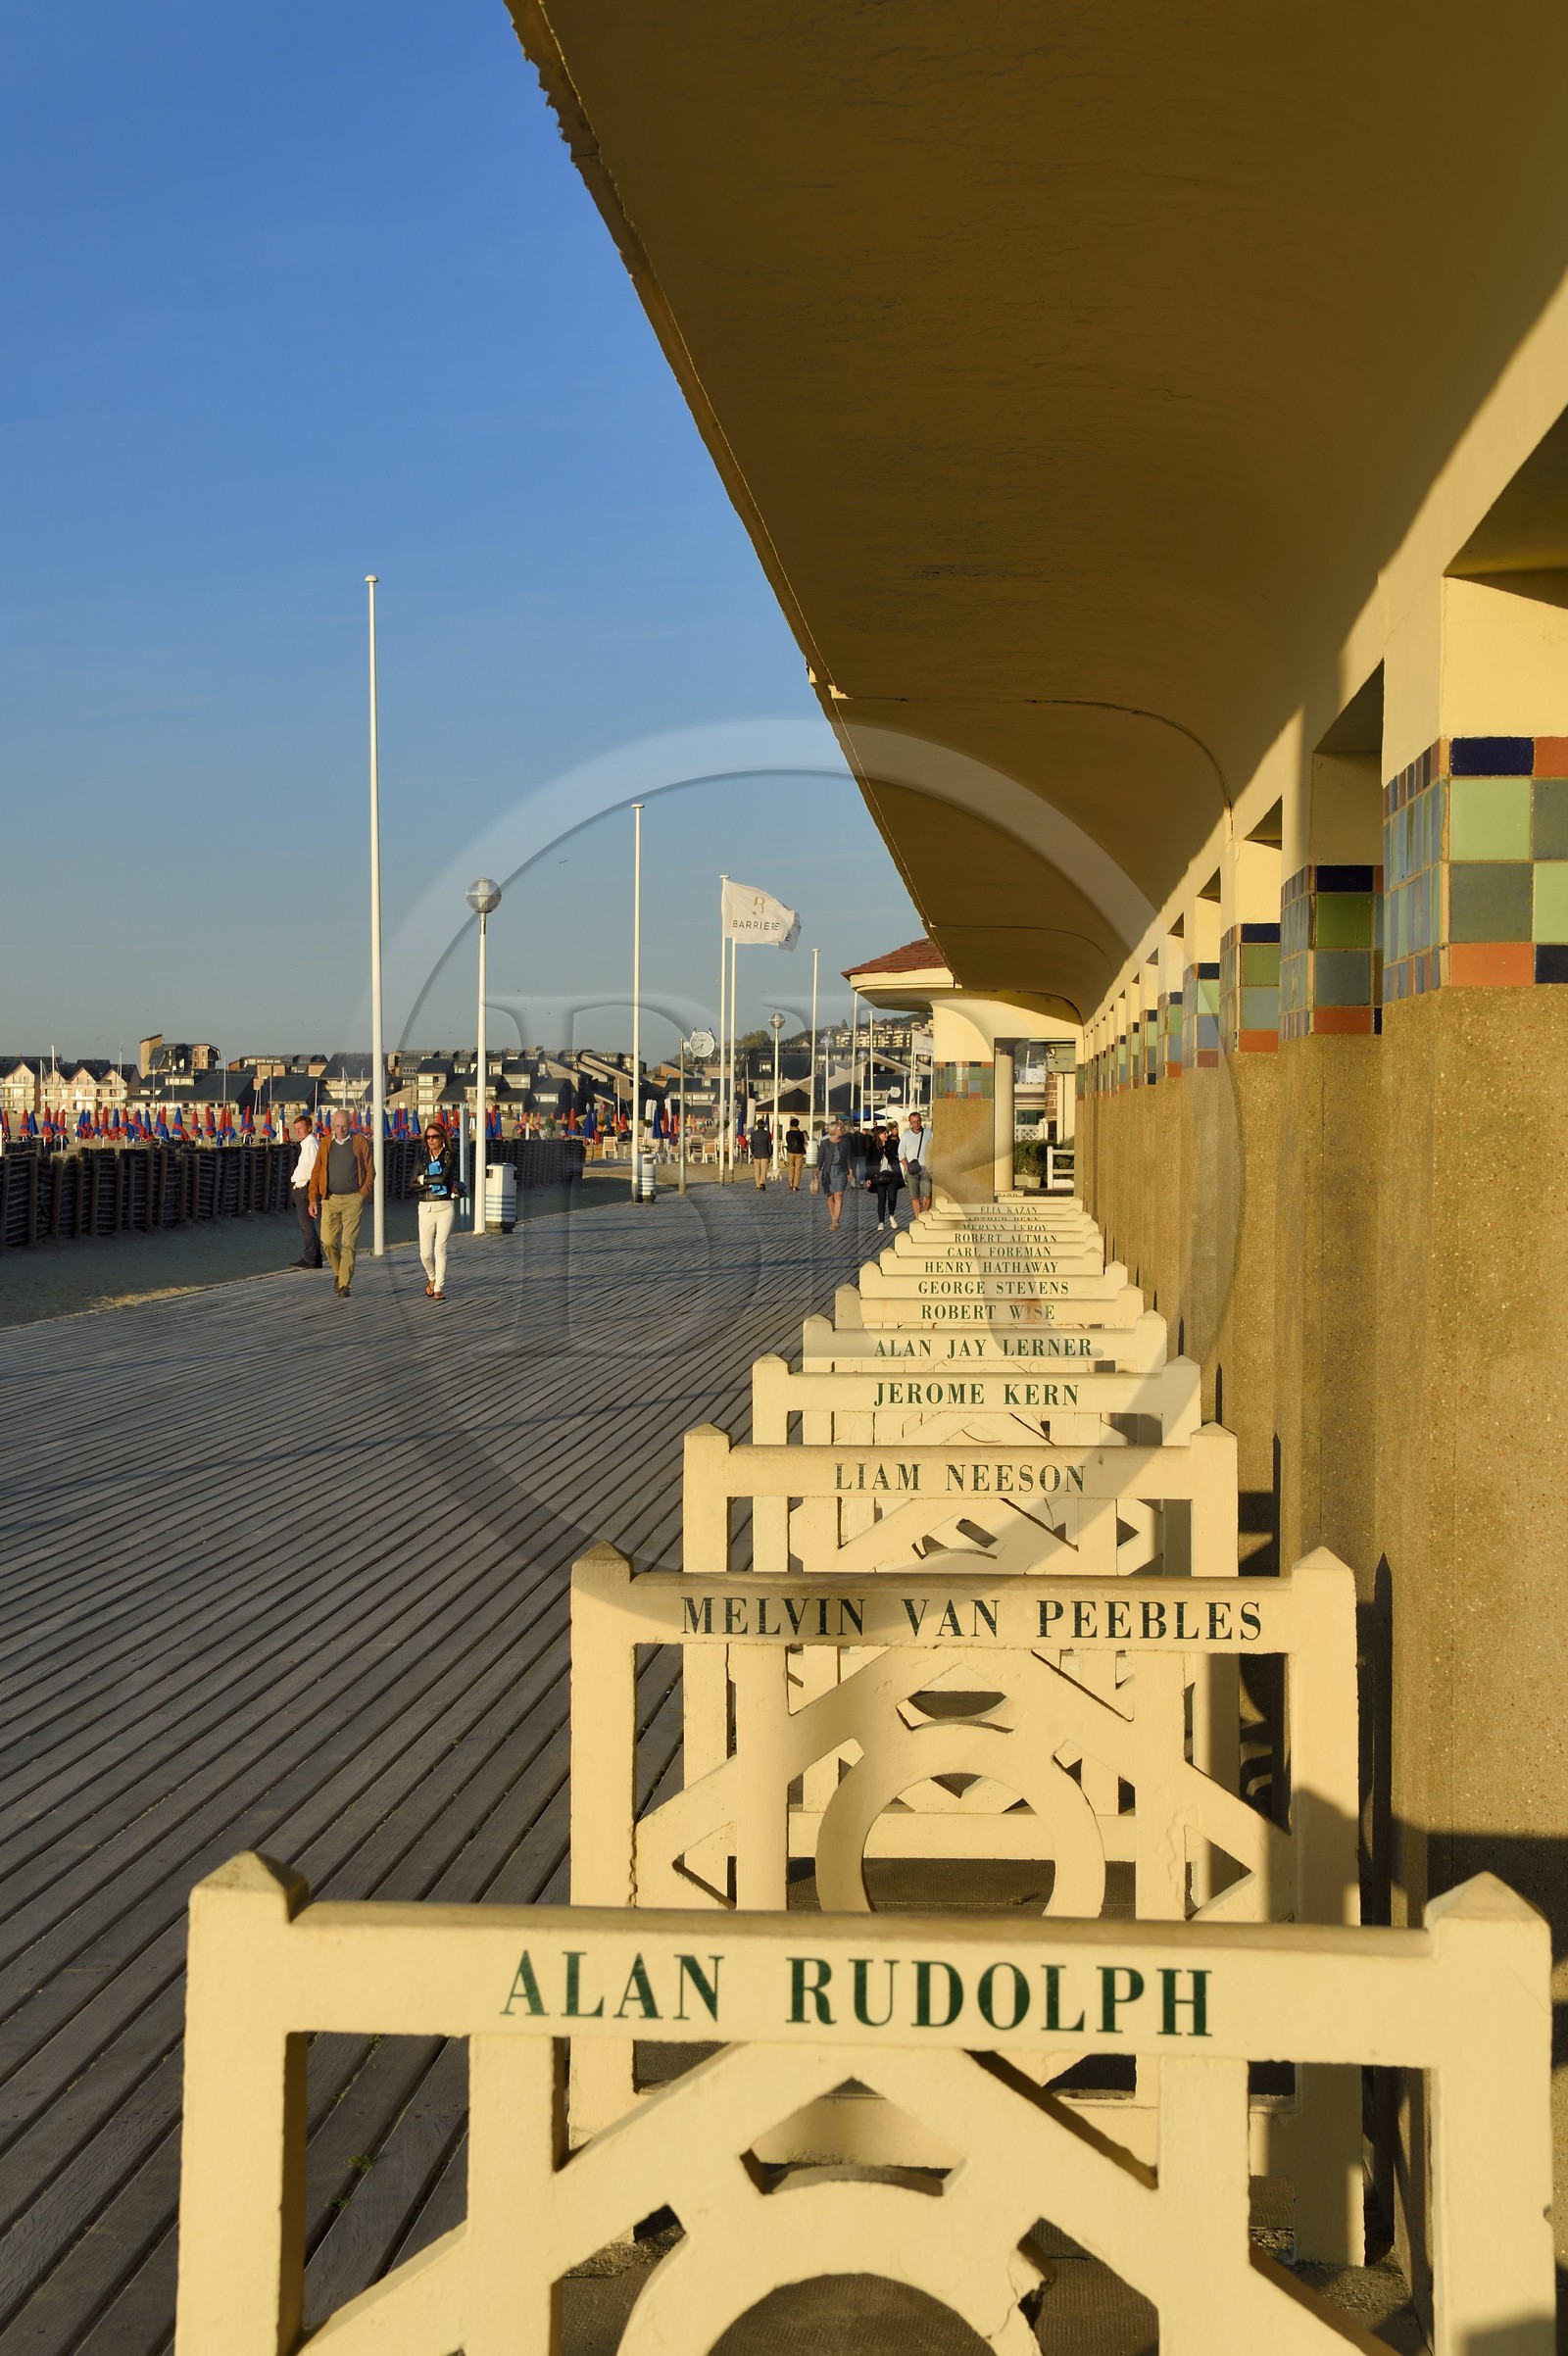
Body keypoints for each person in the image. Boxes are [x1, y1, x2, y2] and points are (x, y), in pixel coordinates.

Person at [307, 1105, 375, 1297]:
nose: (340, 1129)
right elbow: (317, 1172)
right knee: (328, 1242)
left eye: (344, 1126)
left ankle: (344, 1285)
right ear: (332, 1126)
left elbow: (371, 1171)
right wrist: (312, 1199)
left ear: (350, 1124)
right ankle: (340, 1273)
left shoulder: (359, 1141)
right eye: (337, 1126)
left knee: (348, 1242)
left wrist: (362, 1195)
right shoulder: (325, 1143)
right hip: (330, 1199)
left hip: (353, 1198)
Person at [412, 1119, 460, 1301]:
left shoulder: (449, 1156)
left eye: (434, 1137)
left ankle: (439, 1287)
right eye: (428, 1137)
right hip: (425, 1207)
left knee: (440, 1248)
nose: (431, 1140)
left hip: (445, 1206)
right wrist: (428, 1182)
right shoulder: (422, 1159)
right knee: (425, 1253)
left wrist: (423, 1180)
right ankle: (432, 1277)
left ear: (442, 1138)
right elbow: (411, 1184)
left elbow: (443, 1178)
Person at [288, 1113, 323, 1268]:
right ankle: (315, 1257)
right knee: (306, 1224)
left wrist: (311, 1190)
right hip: (302, 1187)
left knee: (306, 1224)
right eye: (295, 1129)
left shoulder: (311, 1145)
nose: (297, 1131)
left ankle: (311, 1258)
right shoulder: (308, 1144)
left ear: (309, 1128)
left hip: (305, 1187)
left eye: (300, 1128)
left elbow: (315, 1169)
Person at [816, 1117, 853, 1231]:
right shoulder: (825, 1143)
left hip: (841, 1170)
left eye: (842, 1128)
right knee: (830, 1196)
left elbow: (848, 1156)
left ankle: (836, 1220)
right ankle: (833, 1218)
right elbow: (821, 1157)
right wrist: (817, 1169)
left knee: (839, 1195)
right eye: (840, 1128)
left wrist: (850, 1170)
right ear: (834, 1130)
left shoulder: (845, 1141)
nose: (843, 1129)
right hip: (828, 1171)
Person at [870, 1123, 904, 1231]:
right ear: (879, 1135)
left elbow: (898, 1154)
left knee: (892, 1198)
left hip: (892, 1174)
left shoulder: (891, 1144)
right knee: (881, 1199)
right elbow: (869, 1162)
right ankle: (881, 1222)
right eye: (884, 1133)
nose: (886, 1135)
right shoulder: (873, 1147)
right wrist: (868, 1178)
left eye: (886, 1133)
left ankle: (891, 1216)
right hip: (879, 1176)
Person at [900, 1110, 932, 1218]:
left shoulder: (928, 1133)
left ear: (921, 1120)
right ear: (910, 1122)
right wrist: (906, 1167)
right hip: (912, 1169)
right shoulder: (906, 1135)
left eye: (918, 1121)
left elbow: (935, 1148)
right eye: (914, 1122)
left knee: (928, 1194)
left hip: (926, 1168)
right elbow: (901, 1153)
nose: (916, 1124)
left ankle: (925, 1215)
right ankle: (918, 1219)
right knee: (914, 1196)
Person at [783, 1118, 808, 1191]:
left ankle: (790, 1182)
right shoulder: (800, 1133)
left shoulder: (788, 1133)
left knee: (791, 1167)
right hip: (799, 1152)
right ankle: (795, 1185)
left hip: (790, 1151)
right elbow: (802, 1142)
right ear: (798, 1124)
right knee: (798, 1168)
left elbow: (788, 1141)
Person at [749, 1115, 772, 1189]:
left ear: (757, 1125)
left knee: (757, 1170)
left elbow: (751, 1144)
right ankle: (762, 1182)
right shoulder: (767, 1134)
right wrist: (770, 1153)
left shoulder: (753, 1134)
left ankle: (757, 1184)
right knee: (764, 1170)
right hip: (765, 1154)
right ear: (764, 1125)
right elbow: (769, 1145)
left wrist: (753, 1152)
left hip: (756, 1154)